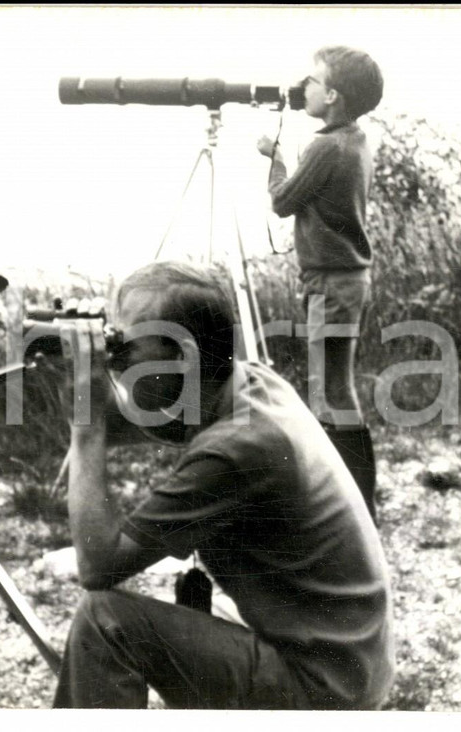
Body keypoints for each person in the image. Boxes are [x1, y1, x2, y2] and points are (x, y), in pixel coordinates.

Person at [50, 260, 394, 710]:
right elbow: (160, 418)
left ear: (182, 358)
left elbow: (97, 564)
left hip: (324, 689)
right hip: (349, 658)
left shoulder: (239, 448)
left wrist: (87, 424)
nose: (119, 359)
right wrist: (80, 378)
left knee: (105, 622)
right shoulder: (252, 383)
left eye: (125, 346)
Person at [256, 46, 384, 523]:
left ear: (331, 95)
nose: (302, 87)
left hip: (331, 285)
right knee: (333, 390)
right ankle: (353, 503)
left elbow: (283, 201)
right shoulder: (354, 139)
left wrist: (274, 157)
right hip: (344, 280)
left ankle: (353, 507)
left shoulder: (325, 147)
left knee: (331, 393)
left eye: (311, 80)